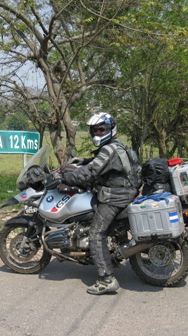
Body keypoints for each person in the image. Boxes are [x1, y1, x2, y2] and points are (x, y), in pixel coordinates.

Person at [60, 112, 139, 295]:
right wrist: (84, 161)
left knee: (96, 233)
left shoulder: (108, 149)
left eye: (101, 129)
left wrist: (63, 177)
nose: (98, 133)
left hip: (116, 196)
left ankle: (107, 279)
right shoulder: (114, 146)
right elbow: (101, 165)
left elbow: (89, 174)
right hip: (125, 192)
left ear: (111, 129)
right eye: (94, 130)